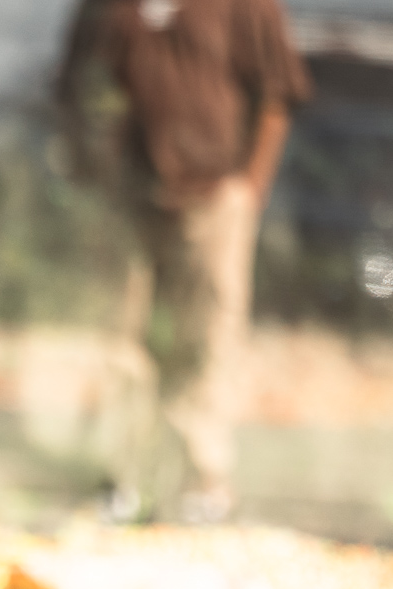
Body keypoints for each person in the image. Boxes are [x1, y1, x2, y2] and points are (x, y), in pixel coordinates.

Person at [58, 0, 311, 522]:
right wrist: (89, 165)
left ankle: (202, 479)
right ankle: (124, 477)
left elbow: (278, 95)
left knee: (208, 337)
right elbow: (74, 82)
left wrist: (249, 190)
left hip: (216, 194)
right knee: (122, 337)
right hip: (127, 196)